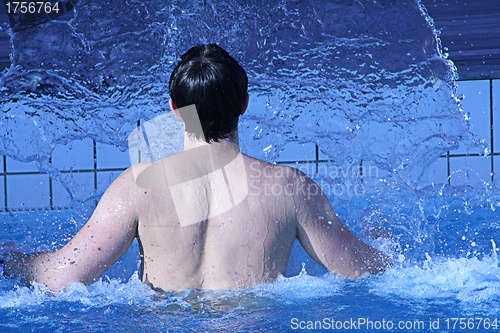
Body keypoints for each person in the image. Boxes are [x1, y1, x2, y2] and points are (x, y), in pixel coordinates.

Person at [1, 44, 388, 292]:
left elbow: (61, 276)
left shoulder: (139, 186)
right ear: (244, 105)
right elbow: (360, 268)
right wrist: (382, 241)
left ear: (174, 109)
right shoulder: (289, 188)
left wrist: (11, 258)